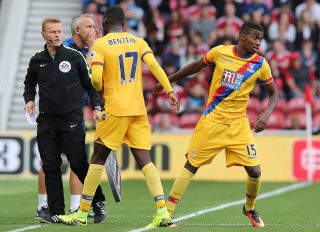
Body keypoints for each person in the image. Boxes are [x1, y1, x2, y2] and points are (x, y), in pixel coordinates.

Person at [58, 6, 179, 228]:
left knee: (97, 159)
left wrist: (101, 88)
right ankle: (162, 212)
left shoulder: (100, 45)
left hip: (115, 109)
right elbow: (154, 65)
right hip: (138, 110)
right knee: (145, 159)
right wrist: (169, 91)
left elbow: (95, 81)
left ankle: (82, 214)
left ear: (104, 22)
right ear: (124, 24)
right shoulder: (138, 41)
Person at [153, 21, 278, 228]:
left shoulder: (261, 64)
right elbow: (194, 66)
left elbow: (273, 94)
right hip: (212, 121)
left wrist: (267, 112)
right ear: (243, 36)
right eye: (255, 37)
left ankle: (249, 208)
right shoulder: (220, 52)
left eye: (261, 39)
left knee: (255, 172)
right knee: (191, 166)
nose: (258, 42)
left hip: (238, 125)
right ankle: (167, 213)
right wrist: (168, 82)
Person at [23, 17, 106, 224]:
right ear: (44, 35)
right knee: (50, 165)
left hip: (72, 120)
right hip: (46, 121)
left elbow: (90, 86)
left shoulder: (75, 57)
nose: (58, 35)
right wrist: (29, 100)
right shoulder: (36, 60)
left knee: (78, 165)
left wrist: (97, 107)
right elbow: (29, 84)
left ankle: (98, 200)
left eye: (60, 31)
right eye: (53, 32)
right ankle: (56, 212)